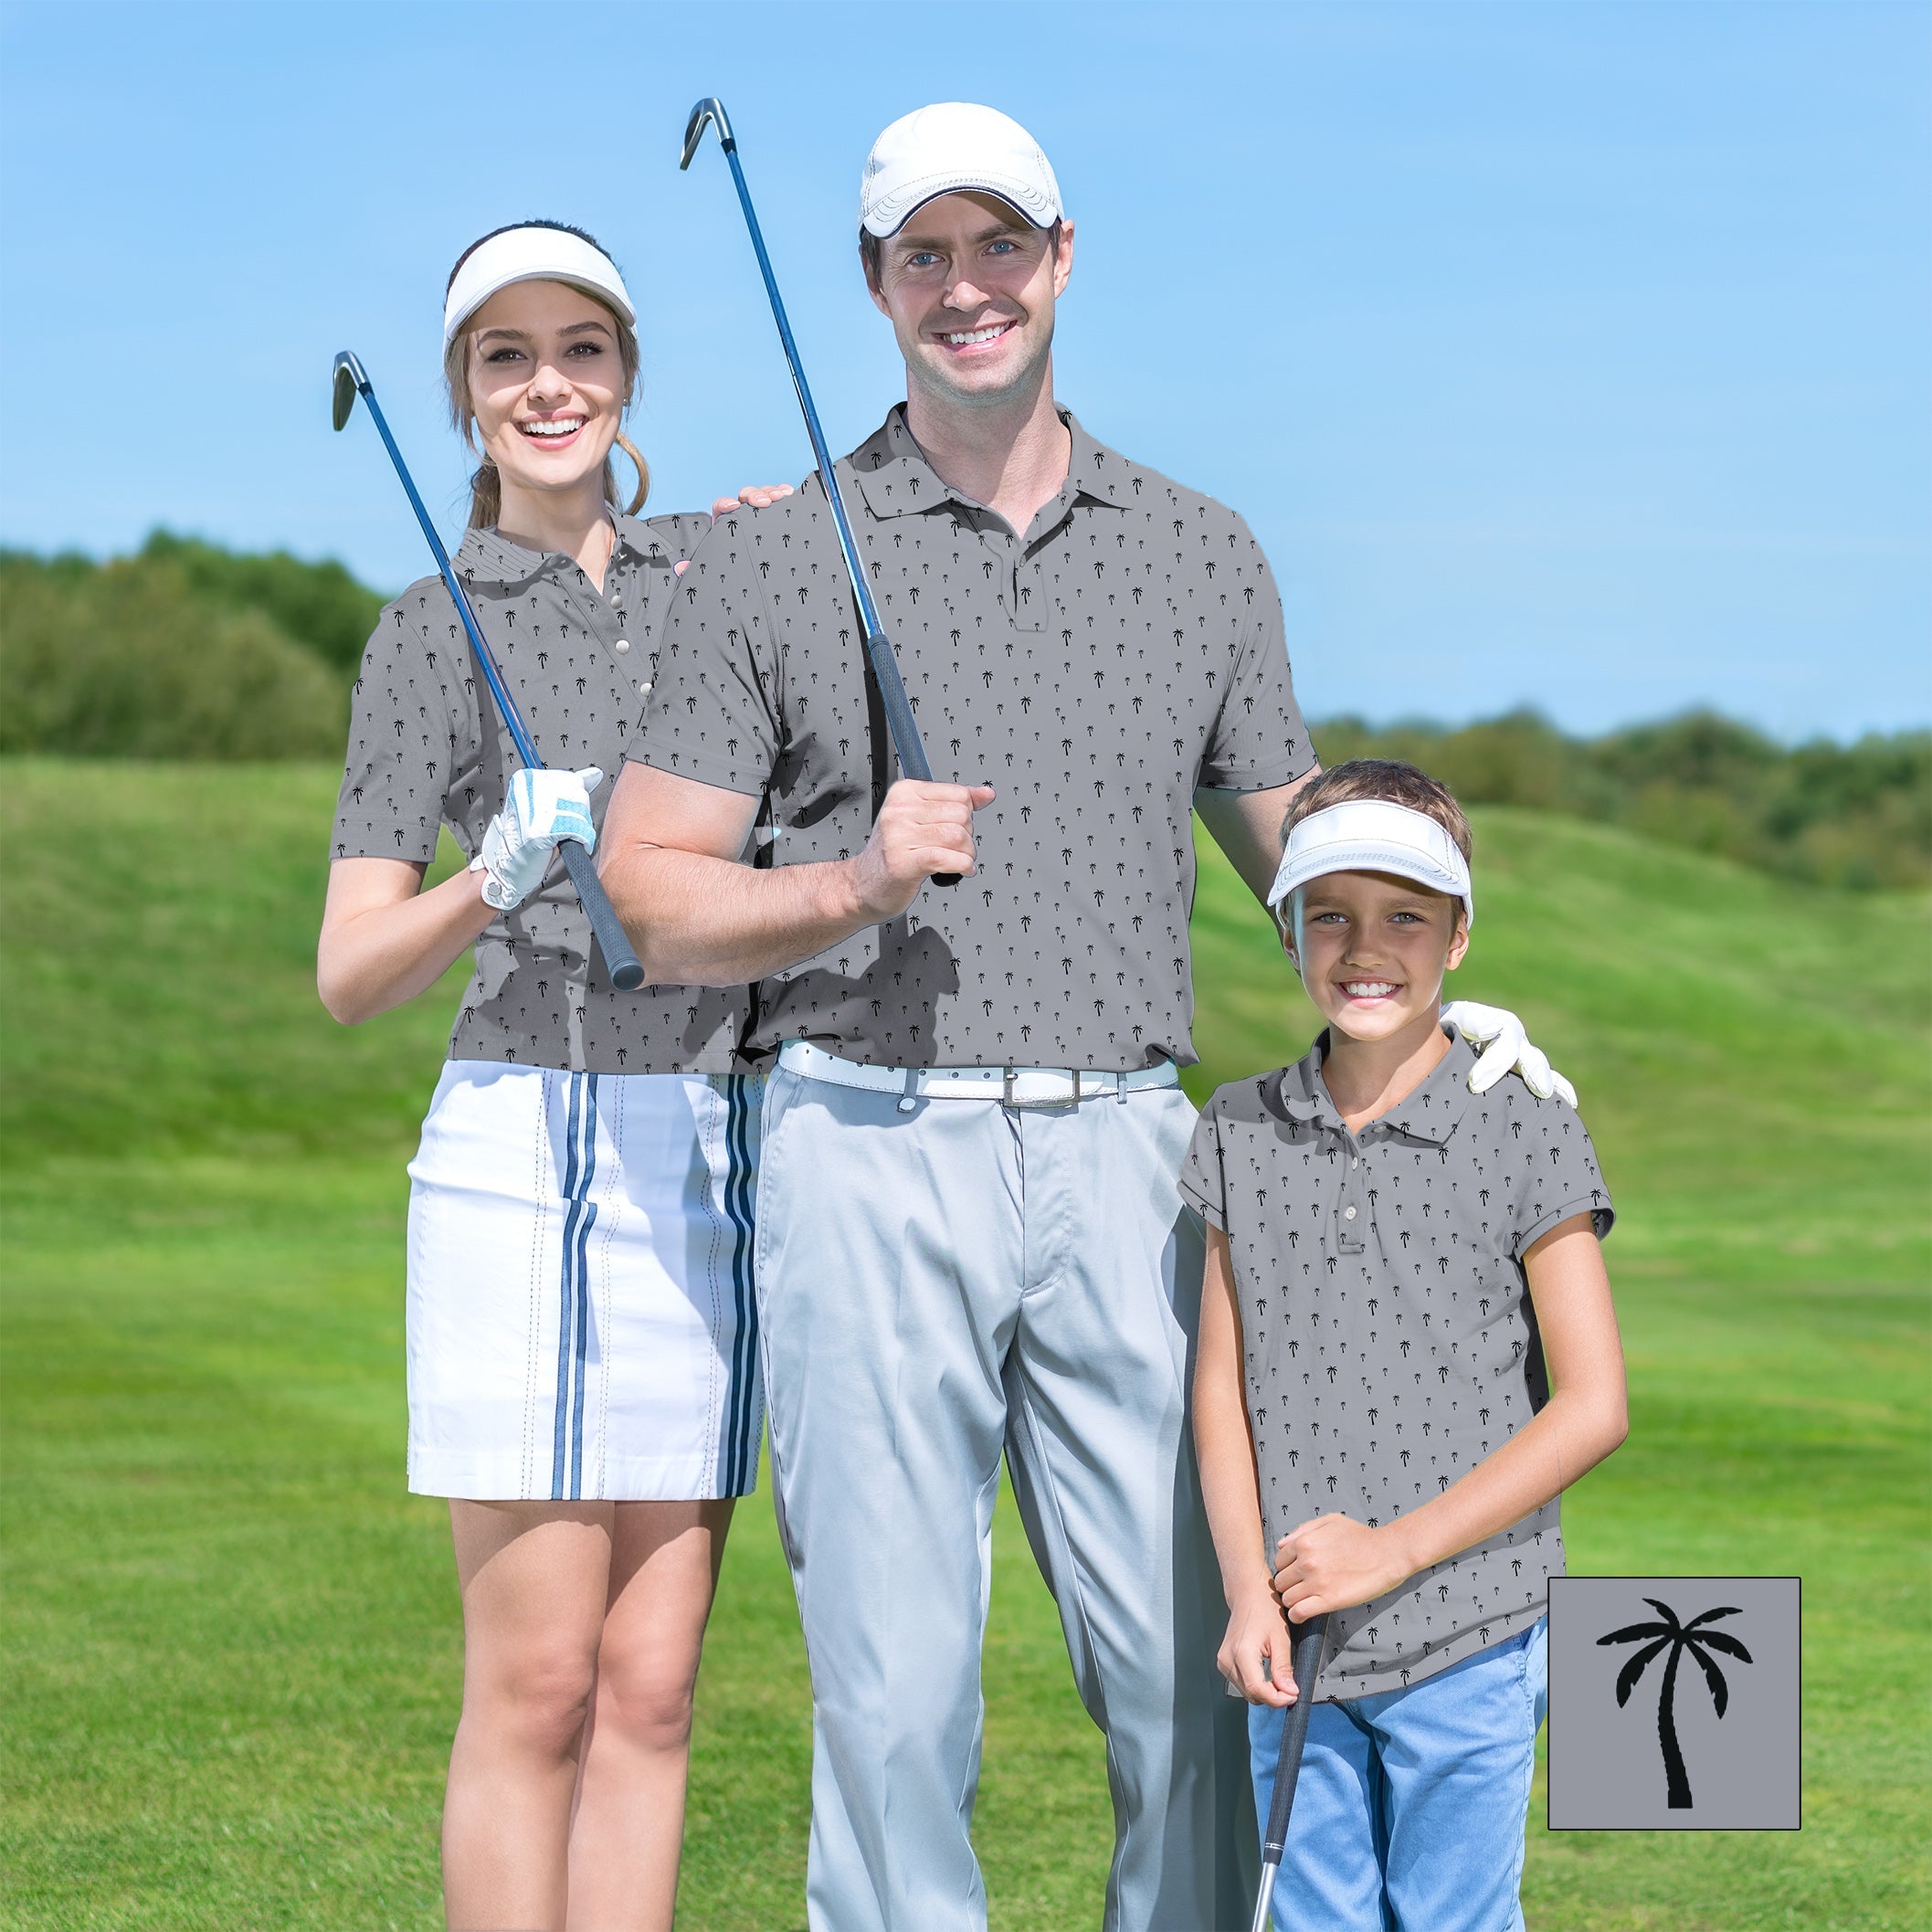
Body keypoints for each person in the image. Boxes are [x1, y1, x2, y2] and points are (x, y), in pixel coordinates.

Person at [598, 106, 1563, 1931]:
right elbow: (648, 886)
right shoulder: (774, 553)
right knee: (894, 1701)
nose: (967, 288)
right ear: (874, 285)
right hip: (859, 1140)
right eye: (923, 255)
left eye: (999, 246)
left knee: (1203, 1670)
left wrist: (1448, 981)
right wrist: (842, 886)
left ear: (1061, 256)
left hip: (1135, 1161)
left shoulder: (1202, 553)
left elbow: (1302, 853)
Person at [317, 220, 788, 1932]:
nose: (548, 385)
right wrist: (488, 875)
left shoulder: (724, 587)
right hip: (520, 1143)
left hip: (701, 1149)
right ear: (462, 394)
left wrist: (776, 536)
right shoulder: (421, 632)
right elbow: (350, 971)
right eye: (506, 356)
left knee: (654, 1687)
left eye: (579, 349)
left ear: (627, 375)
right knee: (538, 1687)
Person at [1183, 759, 1629, 1932]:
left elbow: (1593, 1405)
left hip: (1473, 1630)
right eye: (1329, 913)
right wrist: (1245, 1594)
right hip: (1294, 1641)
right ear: (1286, 929)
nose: (1363, 946)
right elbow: (1219, 1392)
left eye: (1404, 917)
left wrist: (1393, 1552)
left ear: (1458, 938)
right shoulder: (1237, 1127)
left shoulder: (1525, 1122)